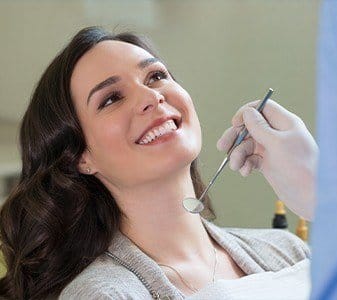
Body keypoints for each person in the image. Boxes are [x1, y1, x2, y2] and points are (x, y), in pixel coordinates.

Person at [0, 26, 317, 300]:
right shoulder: (104, 294)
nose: (152, 97)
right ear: (82, 157)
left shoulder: (287, 250)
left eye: (155, 76)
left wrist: (322, 197)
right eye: (111, 98)